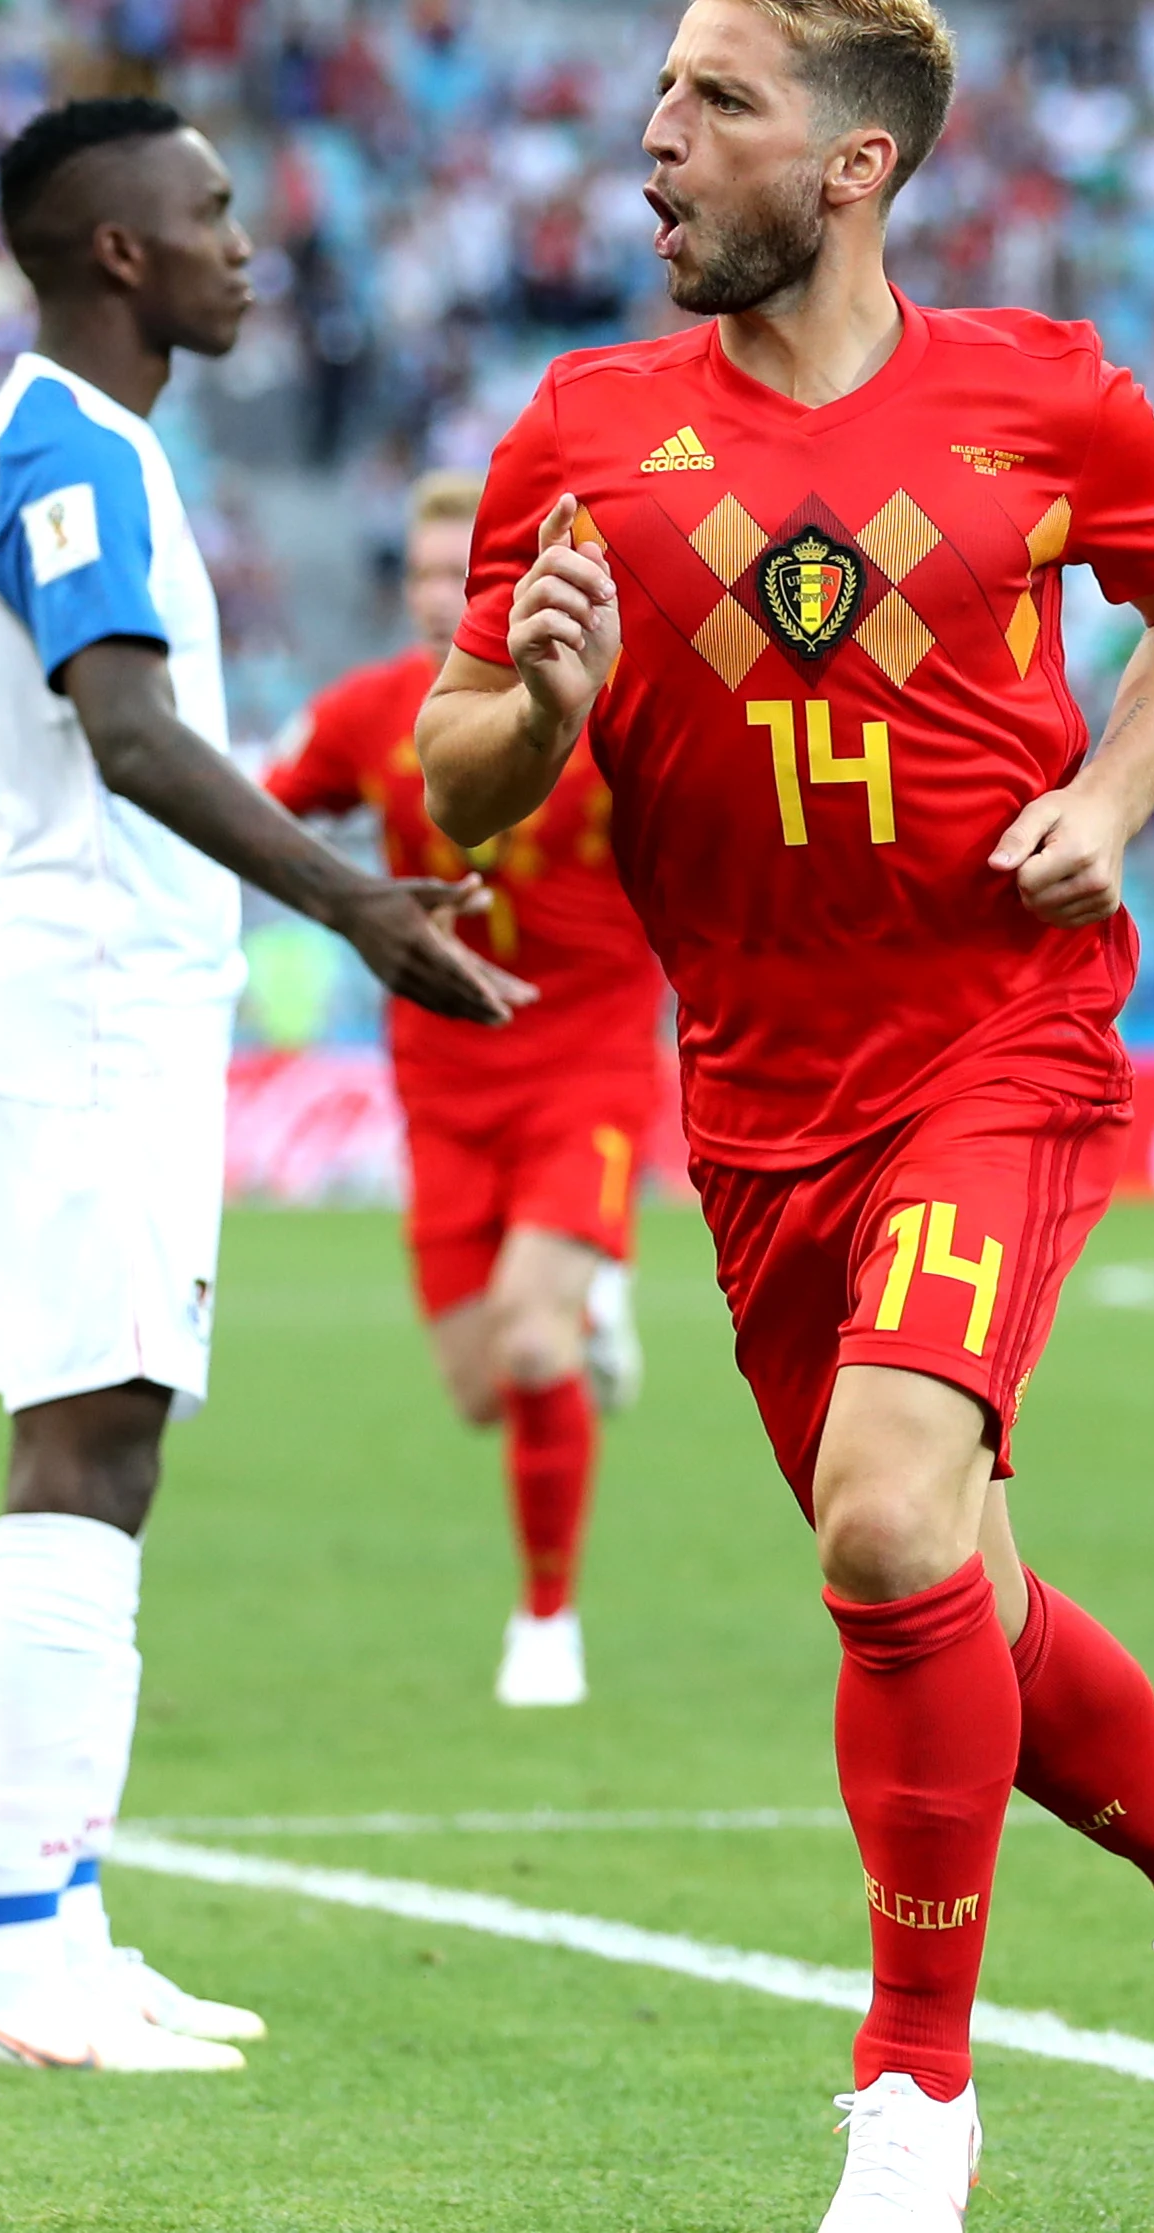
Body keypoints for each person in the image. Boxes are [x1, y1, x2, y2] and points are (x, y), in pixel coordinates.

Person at [416, 5, 1154, 2221]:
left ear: (851, 167)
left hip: (994, 1035)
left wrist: (1108, 790)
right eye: (659, 94)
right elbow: (458, 766)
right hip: (752, 1086)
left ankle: (913, 2103)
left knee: (887, 1517)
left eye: (714, 102)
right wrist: (533, 703)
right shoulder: (584, 433)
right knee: (955, 1595)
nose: (653, 138)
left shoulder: (1043, 395)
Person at [0, 97, 530, 2078]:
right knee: (81, 1442)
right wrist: (352, 900)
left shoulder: (72, 443)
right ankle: (9, 1955)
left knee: (113, 1440)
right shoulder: (69, 451)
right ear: (116, 253)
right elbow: (125, 732)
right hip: (83, 996)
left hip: (101, 995)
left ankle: (62, 1918)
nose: (243, 246)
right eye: (208, 216)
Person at [267, 468, 670, 1709]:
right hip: (440, 1082)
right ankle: (587, 1311)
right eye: (429, 576)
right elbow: (258, 816)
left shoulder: (615, 701)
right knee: (480, 1388)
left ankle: (545, 1624)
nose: (448, 597)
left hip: (586, 1062)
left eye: (468, 575)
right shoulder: (367, 715)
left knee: (530, 1338)